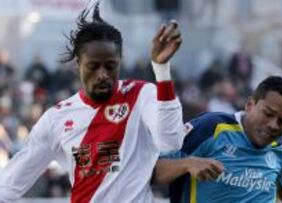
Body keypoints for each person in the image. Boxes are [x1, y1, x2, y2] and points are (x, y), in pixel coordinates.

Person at [0, 4, 185, 203]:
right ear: (78, 64)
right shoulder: (56, 118)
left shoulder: (141, 95)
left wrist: (161, 69)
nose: (102, 74)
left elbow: (170, 141)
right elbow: (9, 185)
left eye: (110, 65)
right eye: (93, 66)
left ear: (119, 62)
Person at [153, 76, 282, 203]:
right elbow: (152, 171)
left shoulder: (279, 152)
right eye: (268, 113)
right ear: (250, 104)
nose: (273, 125)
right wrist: (187, 163)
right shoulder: (211, 128)